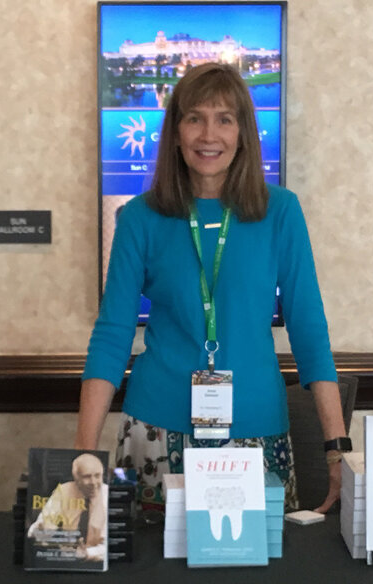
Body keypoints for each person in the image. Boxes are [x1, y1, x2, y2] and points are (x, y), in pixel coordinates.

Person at [76, 62, 348, 512]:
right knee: (153, 581)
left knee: (259, 582)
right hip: (155, 432)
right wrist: (82, 453)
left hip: (257, 432)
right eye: (194, 118)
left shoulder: (280, 212)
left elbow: (309, 332)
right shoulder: (140, 218)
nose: (209, 134)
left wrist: (336, 448)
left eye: (225, 119)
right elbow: (111, 335)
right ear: (176, 132)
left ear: (243, 133)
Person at [27, 453, 108, 558]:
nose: (93, 482)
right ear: (76, 478)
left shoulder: (108, 495)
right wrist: (41, 530)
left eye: (97, 475)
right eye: (87, 476)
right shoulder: (64, 491)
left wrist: (87, 553)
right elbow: (37, 530)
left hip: (97, 560)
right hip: (65, 557)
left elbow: (110, 546)